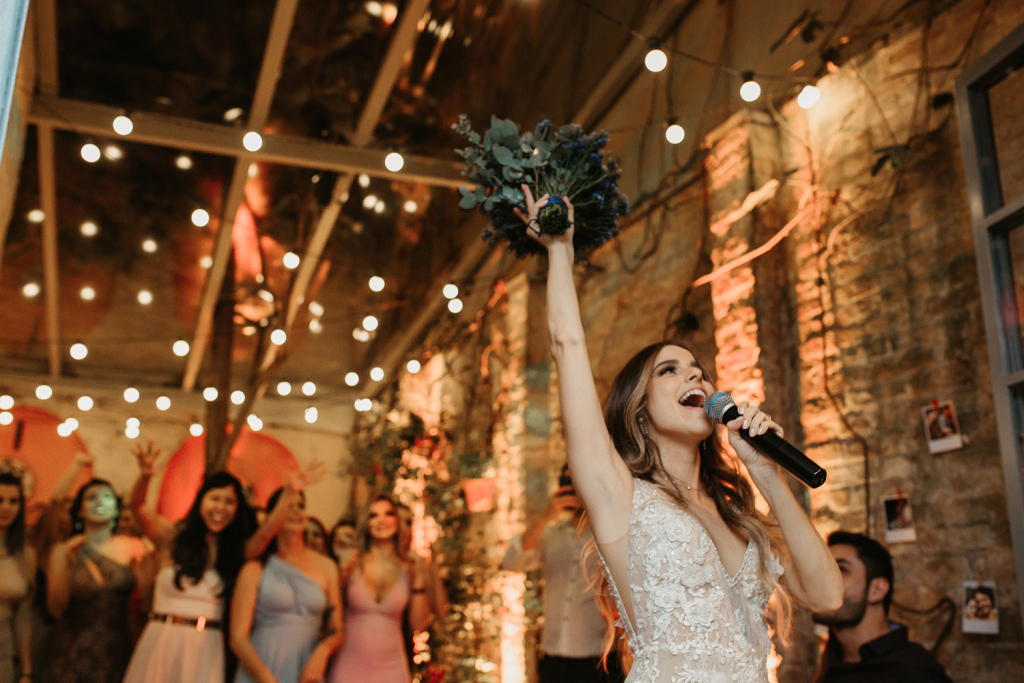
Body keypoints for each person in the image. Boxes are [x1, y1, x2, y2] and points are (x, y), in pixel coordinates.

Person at [518, 185, 843, 682]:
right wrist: (559, 249)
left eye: (698, 370)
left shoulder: (739, 514)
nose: (695, 375)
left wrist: (766, 474)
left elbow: (829, 596)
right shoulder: (620, 496)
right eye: (669, 370)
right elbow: (567, 344)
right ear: (638, 411)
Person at [501, 467, 623, 683]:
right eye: (567, 481)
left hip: (598, 656)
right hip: (553, 656)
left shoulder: (610, 535)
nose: (572, 489)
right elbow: (510, 562)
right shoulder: (550, 534)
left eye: (577, 481)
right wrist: (544, 518)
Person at [40, 479, 148, 683]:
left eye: (107, 497)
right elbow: (55, 609)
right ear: (80, 511)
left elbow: (148, 603)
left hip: (117, 650)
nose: (100, 502)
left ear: (116, 509)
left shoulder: (134, 547)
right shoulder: (63, 550)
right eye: (91, 497)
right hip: (71, 650)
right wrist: (66, 565)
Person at [230, 487, 343, 683]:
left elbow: (337, 629)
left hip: (307, 668)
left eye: (300, 506)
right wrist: (267, 679)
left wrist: (322, 652)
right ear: (272, 516)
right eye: (288, 506)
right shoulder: (255, 568)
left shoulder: (327, 566)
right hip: (261, 668)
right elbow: (238, 638)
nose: (296, 511)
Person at [812, 532, 953, 682]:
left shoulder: (914, 672)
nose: (821, 580)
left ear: (877, 590)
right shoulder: (832, 659)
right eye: (821, 570)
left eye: (841, 569)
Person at [326, 496, 432, 683]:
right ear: (366, 523)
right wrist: (340, 576)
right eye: (373, 515)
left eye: (388, 514)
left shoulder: (409, 567)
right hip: (348, 666)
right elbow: (331, 616)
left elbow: (418, 626)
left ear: (397, 521)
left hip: (392, 669)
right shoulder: (353, 562)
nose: (381, 520)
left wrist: (418, 578)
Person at [0, 473, 35, 683]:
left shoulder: (25, 554)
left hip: (3, 654)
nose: (6, 507)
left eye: (13, 501)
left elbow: (23, 616)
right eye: (0, 499)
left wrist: (26, 672)